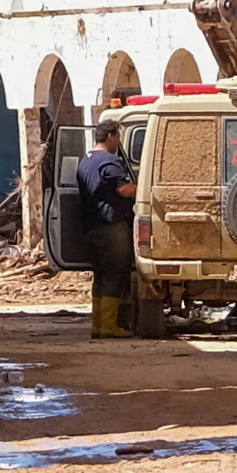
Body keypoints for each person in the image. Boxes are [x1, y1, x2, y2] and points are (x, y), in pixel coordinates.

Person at [75, 126, 142, 336]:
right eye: (118, 137)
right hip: (110, 225)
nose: (119, 142)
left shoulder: (85, 160)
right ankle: (109, 326)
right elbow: (123, 189)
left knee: (100, 275)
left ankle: (98, 325)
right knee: (115, 273)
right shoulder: (109, 161)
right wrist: (141, 187)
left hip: (90, 226)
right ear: (111, 136)